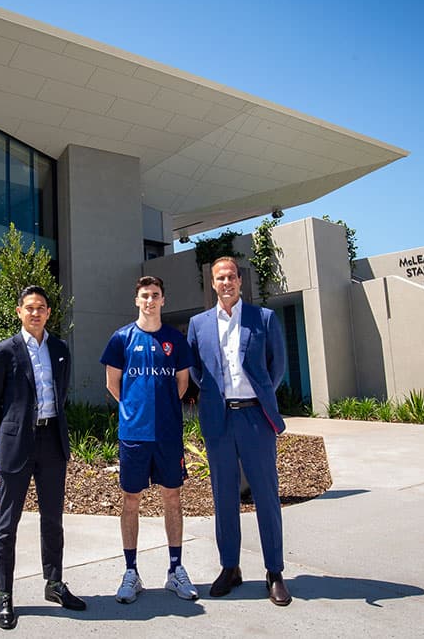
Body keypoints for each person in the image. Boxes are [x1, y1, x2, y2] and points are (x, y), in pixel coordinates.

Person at [186, 257, 292, 606]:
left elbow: (277, 366)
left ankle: (274, 572)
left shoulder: (263, 318)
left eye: (232, 276)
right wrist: (217, 399)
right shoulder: (198, 324)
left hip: (255, 419)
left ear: (240, 282)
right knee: (224, 497)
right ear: (213, 284)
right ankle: (230, 567)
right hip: (219, 420)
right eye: (220, 278)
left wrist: (260, 395)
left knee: (265, 495)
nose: (227, 282)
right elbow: (197, 372)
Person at [0, 285, 87, 630]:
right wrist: (6, 435)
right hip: (17, 445)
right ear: (19, 312)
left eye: (42, 307)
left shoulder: (59, 349)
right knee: (7, 524)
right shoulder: (4, 351)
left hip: (52, 442)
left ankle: (54, 583)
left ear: (49, 313)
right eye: (30, 308)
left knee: (53, 519)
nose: (36, 313)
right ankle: (5, 594)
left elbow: (62, 391)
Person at [100, 276, 198, 604]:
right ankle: (131, 572)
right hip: (134, 436)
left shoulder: (175, 339)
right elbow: (113, 384)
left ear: (163, 300)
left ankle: (175, 570)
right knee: (131, 501)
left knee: (173, 499)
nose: (150, 301)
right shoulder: (121, 339)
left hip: (168, 435)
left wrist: (164, 412)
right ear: (137, 300)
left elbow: (182, 384)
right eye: (144, 295)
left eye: (155, 295)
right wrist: (134, 410)